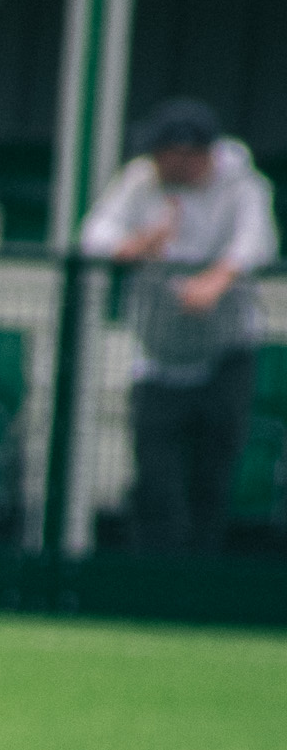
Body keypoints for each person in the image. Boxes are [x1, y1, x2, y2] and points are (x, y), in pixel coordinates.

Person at [81, 100, 279, 558]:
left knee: (213, 473)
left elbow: (258, 240)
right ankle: (153, 575)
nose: (164, 163)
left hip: (225, 356)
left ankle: (199, 577)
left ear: (198, 154)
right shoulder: (140, 181)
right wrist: (138, 243)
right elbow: (95, 235)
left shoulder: (242, 186)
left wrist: (217, 279)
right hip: (156, 360)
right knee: (155, 477)